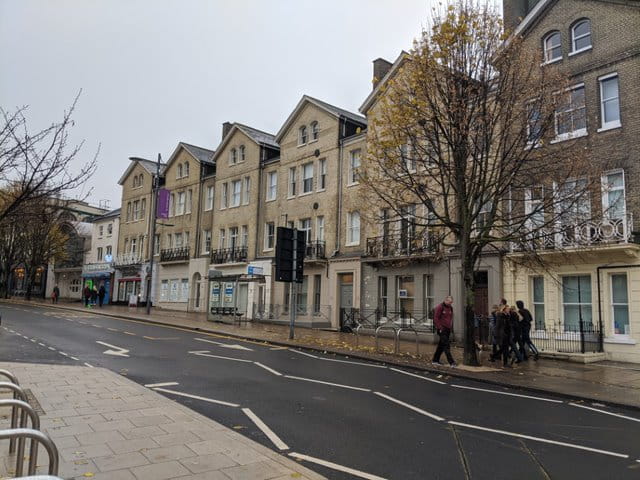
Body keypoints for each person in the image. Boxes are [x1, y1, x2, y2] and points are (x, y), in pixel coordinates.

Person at [432, 295, 457, 367]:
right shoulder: (440, 307)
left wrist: (450, 327)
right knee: (446, 345)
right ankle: (451, 362)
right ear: (446, 300)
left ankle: (435, 360)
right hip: (442, 329)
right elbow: (436, 318)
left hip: (447, 329)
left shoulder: (450, 308)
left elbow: (450, 318)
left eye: (451, 302)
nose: (450, 304)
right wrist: (440, 328)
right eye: (449, 302)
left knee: (441, 346)